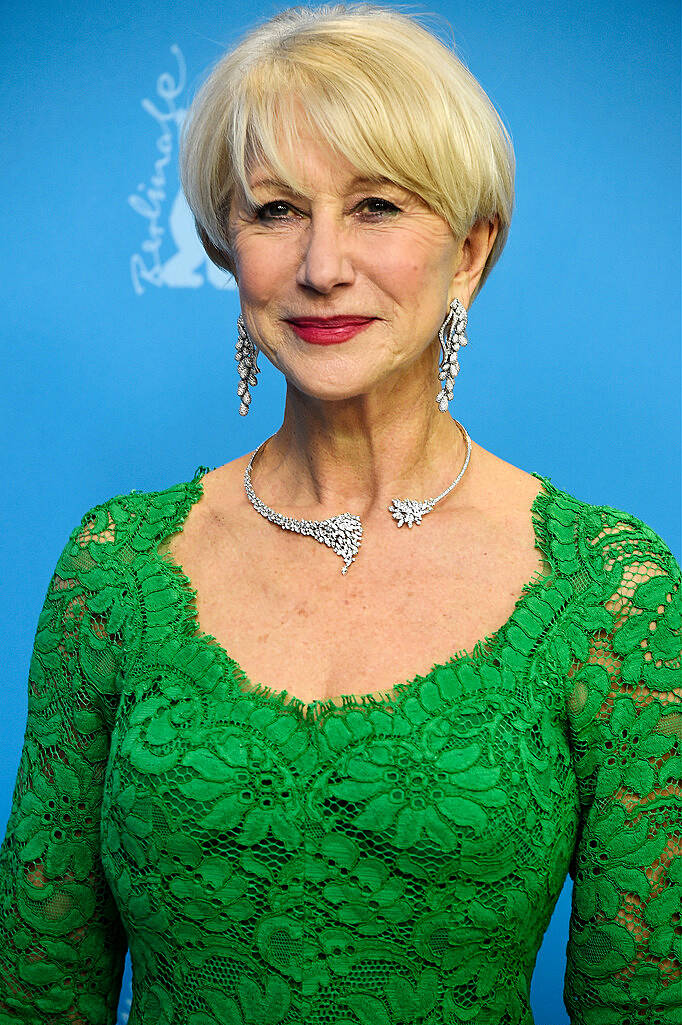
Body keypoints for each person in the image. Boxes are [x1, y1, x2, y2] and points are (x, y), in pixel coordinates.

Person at [0, 4, 680, 1023]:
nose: (321, 266)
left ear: (471, 249)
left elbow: (644, 1002)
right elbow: (41, 982)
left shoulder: (610, 589)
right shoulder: (113, 564)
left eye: (375, 206)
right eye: (274, 210)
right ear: (226, 247)